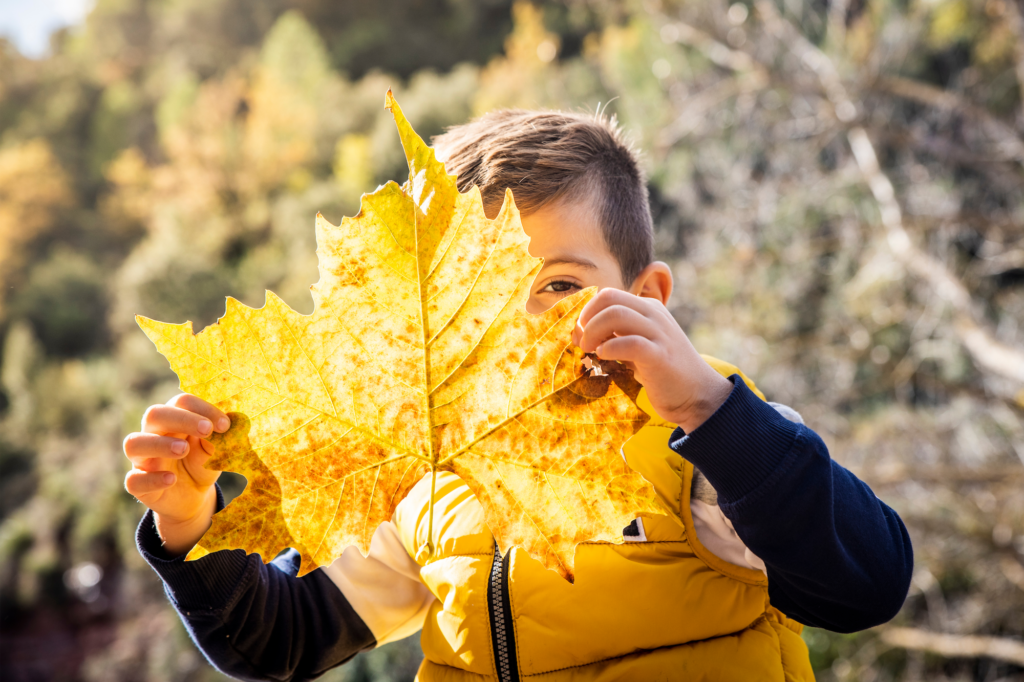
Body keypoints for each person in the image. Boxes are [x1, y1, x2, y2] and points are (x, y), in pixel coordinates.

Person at [123, 108, 913, 681]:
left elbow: (864, 584)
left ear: (650, 296)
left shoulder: (707, 444)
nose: (523, 325)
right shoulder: (423, 478)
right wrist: (193, 527)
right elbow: (282, 639)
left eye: (560, 284)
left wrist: (712, 411)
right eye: (486, 299)